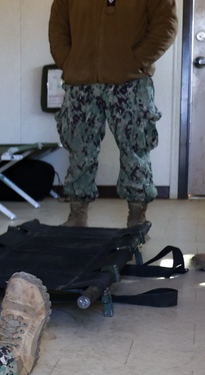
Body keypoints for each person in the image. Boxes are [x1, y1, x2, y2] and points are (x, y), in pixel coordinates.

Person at [49, 0, 177, 228]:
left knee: (135, 150)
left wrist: (136, 60)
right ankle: (77, 215)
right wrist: (68, 63)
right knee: (79, 150)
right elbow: (58, 25)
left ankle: (137, 216)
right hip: (81, 82)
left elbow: (166, 25)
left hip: (130, 83)